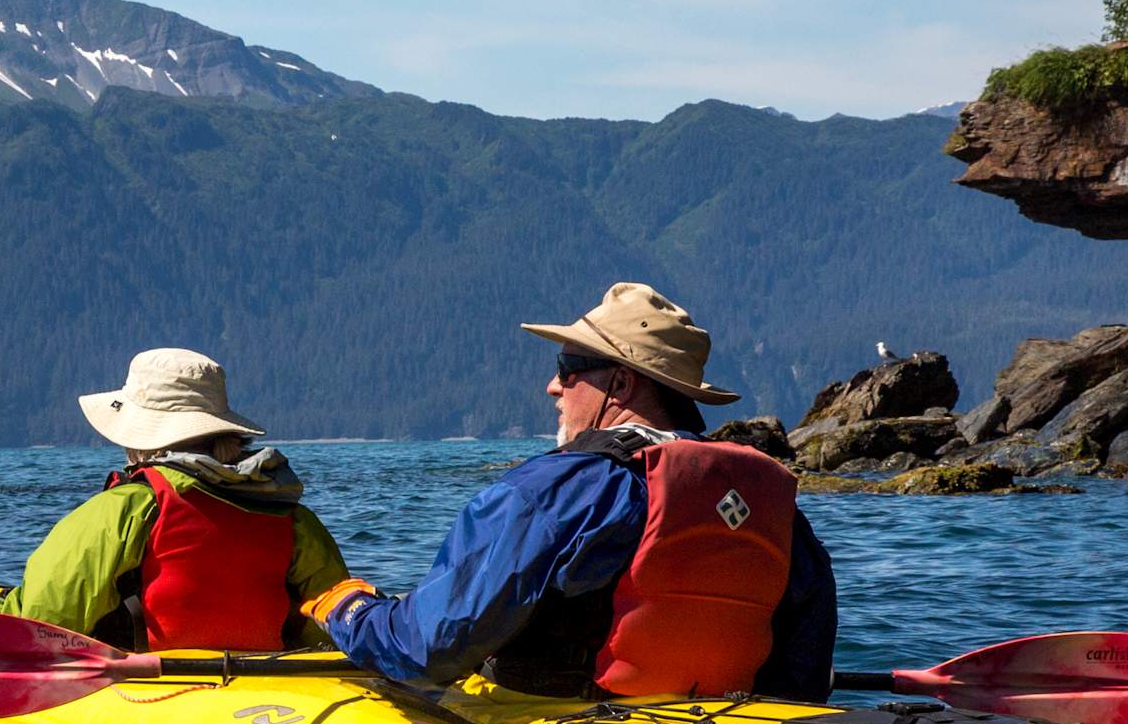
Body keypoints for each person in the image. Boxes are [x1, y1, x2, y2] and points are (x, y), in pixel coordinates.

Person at [309, 282, 835, 701]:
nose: (554, 387)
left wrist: (350, 611)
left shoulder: (561, 489)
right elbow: (804, 668)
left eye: (569, 370)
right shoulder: (768, 498)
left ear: (622, 385)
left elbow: (429, 648)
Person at [8, 349, 352, 650]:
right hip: (266, 687)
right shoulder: (291, 516)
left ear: (140, 439)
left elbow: (42, 620)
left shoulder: (127, 509)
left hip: (150, 687)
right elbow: (333, 626)